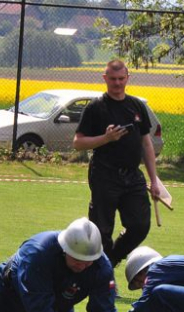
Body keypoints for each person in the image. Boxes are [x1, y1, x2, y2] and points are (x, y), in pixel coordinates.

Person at [73, 59, 161, 269]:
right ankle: (101, 276)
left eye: (121, 79)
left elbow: (146, 144)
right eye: (113, 79)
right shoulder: (96, 108)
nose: (117, 83)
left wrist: (154, 180)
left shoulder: (137, 105)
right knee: (101, 231)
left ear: (127, 78)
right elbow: (78, 143)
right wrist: (106, 138)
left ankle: (110, 261)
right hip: (105, 175)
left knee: (140, 226)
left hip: (133, 175)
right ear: (105, 79)